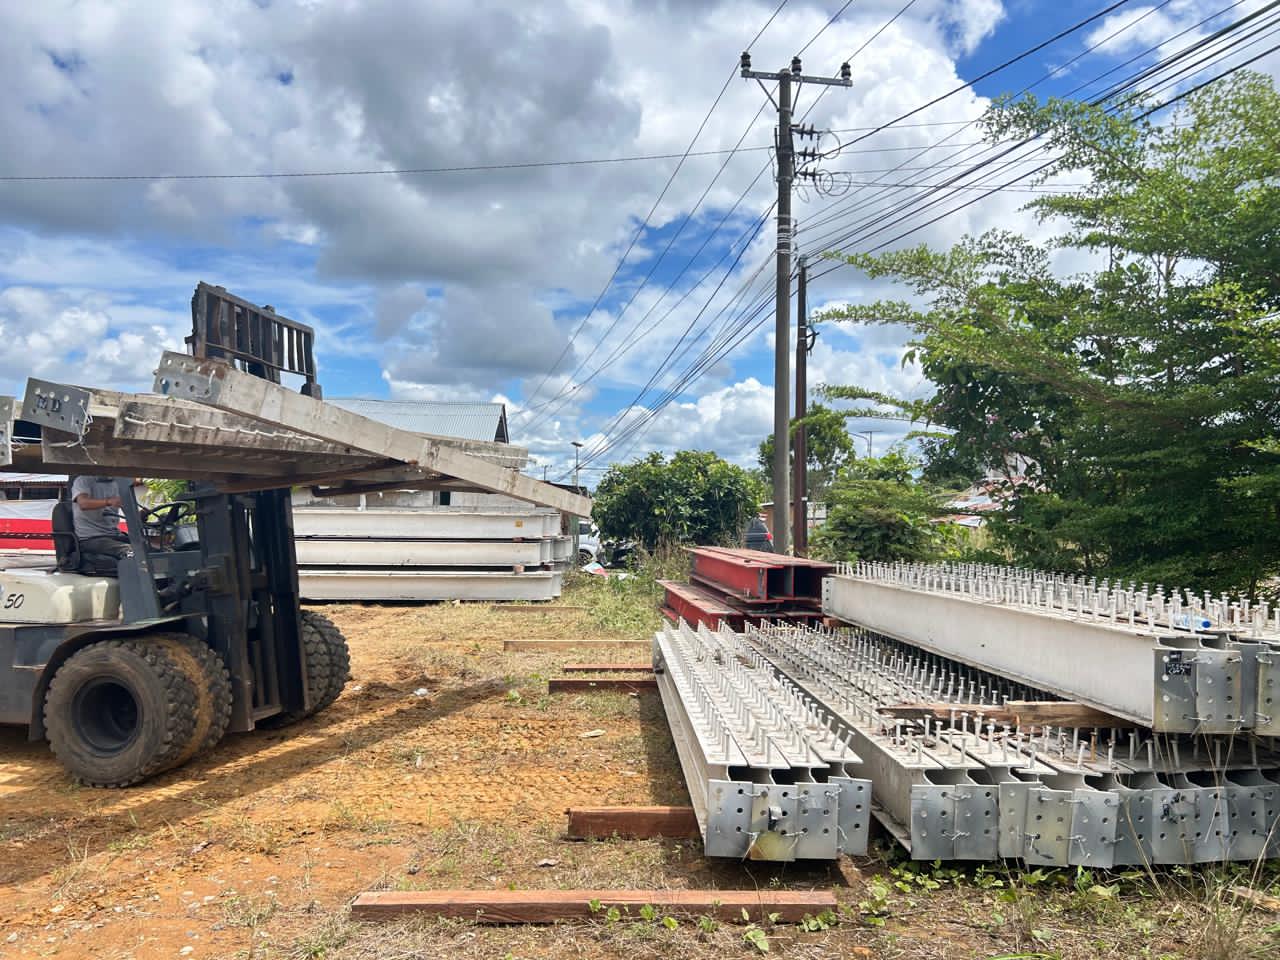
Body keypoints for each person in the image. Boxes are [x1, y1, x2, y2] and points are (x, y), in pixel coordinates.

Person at [70, 476, 133, 561]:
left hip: (114, 534)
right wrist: (108, 501)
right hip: (91, 538)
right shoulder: (83, 480)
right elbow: (83, 503)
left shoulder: (116, 483)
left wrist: (141, 515)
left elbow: (129, 512)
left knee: (147, 547)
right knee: (130, 551)